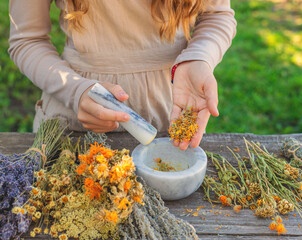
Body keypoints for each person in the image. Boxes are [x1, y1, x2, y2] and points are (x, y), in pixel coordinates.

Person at [8, 0, 236, 150]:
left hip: (171, 109)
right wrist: (76, 91)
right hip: (77, 118)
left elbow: (216, 15)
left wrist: (198, 57)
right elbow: (27, 40)